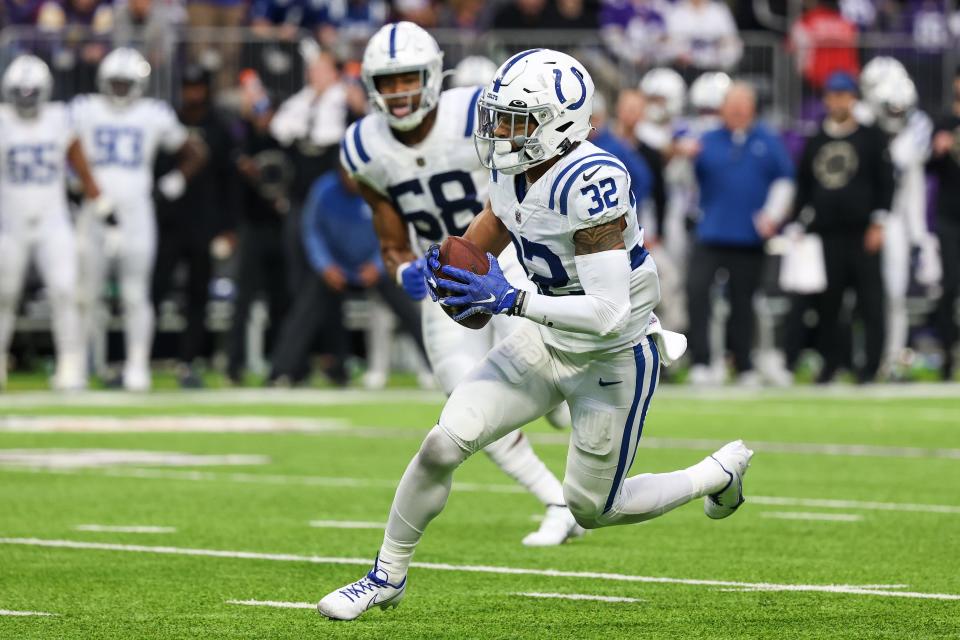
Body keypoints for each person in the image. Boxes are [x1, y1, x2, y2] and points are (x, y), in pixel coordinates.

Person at [317, 48, 752, 621]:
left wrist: (511, 299)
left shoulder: (592, 180)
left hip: (612, 353)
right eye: (497, 116)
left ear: (560, 123)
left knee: (593, 508)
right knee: (443, 442)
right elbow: (493, 224)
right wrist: (454, 267)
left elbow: (606, 312)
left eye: (515, 120)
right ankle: (386, 575)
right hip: (543, 340)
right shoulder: (513, 167)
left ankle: (714, 474)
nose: (499, 130)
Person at [336, 23, 578, 547]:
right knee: (463, 401)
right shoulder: (361, 147)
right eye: (388, 81)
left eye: (409, 79)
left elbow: (531, 174)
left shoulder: (476, 112)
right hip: (445, 273)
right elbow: (391, 239)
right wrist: (406, 272)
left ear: (432, 75)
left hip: (510, 256)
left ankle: (564, 418)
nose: (400, 93)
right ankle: (556, 501)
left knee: (549, 386)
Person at [71, 47, 205, 391]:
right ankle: (78, 364)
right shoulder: (85, 110)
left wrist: (176, 180)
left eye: (124, 83)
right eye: (114, 83)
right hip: (96, 212)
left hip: (136, 214)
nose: (118, 89)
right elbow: (65, 147)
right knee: (86, 293)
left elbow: (195, 151)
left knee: (136, 294)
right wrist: (86, 189)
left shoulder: (153, 113)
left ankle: (137, 366)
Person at [0, 55, 106, 391]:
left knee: (64, 291)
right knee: (3, 294)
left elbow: (81, 164)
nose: (27, 100)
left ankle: (70, 365)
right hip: (10, 222)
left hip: (53, 220)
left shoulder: (59, 119)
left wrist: (102, 205)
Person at [269, 168, 428, 385]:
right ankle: (281, 372)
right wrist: (326, 266)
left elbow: (394, 231)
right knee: (303, 313)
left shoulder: (378, 190)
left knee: (411, 311)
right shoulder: (323, 190)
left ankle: (435, 367)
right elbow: (312, 230)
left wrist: (377, 264)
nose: (352, 181)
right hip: (336, 268)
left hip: (375, 267)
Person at [687, 83, 795, 385]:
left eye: (742, 103)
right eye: (732, 103)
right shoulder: (706, 140)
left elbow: (785, 179)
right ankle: (702, 361)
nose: (736, 110)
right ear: (722, 107)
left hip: (748, 236)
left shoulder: (768, 141)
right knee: (697, 293)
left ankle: (744, 364)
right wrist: (683, 157)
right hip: (710, 232)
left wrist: (772, 215)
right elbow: (684, 182)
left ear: (752, 107)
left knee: (744, 302)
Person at [792, 72, 894, 384]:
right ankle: (833, 363)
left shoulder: (870, 136)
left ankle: (871, 366)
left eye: (844, 95)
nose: (838, 101)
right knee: (828, 304)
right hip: (826, 232)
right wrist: (800, 223)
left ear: (853, 98)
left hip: (862, 231)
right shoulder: (816, 140)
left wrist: (879, 222)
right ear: (826, 99)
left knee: (870, 302)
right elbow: (804, 186)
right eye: (833, 95)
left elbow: (885, 182)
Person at [151, 64, 237, 388]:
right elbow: (157, 170)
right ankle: (142, 355)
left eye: (198, 87)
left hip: (205, 224)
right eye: (188, 87)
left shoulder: (219, 127)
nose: (193, 93)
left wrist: (229, 226)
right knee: (156, 289)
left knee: (198, 296)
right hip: (170, 222)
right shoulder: (168, 122)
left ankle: (188, 362)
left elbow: (230, 180)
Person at [225, 73, 294, 385]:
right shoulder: (243, 139)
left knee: (281, 300)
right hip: (252, 228)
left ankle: (280, 366)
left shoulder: (282, 139)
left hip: (279, 229)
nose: (263, 116)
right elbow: (234, 157)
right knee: (244, 302)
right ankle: (233, 366)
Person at [868, 73, 936, 378]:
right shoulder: (862, 127)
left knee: (895, 294)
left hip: (894, 220)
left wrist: (919, 235)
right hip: (862, 219)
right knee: (859, 295)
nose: (895, 115)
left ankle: (892, 357)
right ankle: (862, 357)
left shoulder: (916, 130)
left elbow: (914, 189)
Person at [928, 68, 960, 380]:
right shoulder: (943, 122)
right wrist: (937, 150)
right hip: (950, 216)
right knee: (949, 287)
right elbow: (927, 168)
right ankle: (948, 356)